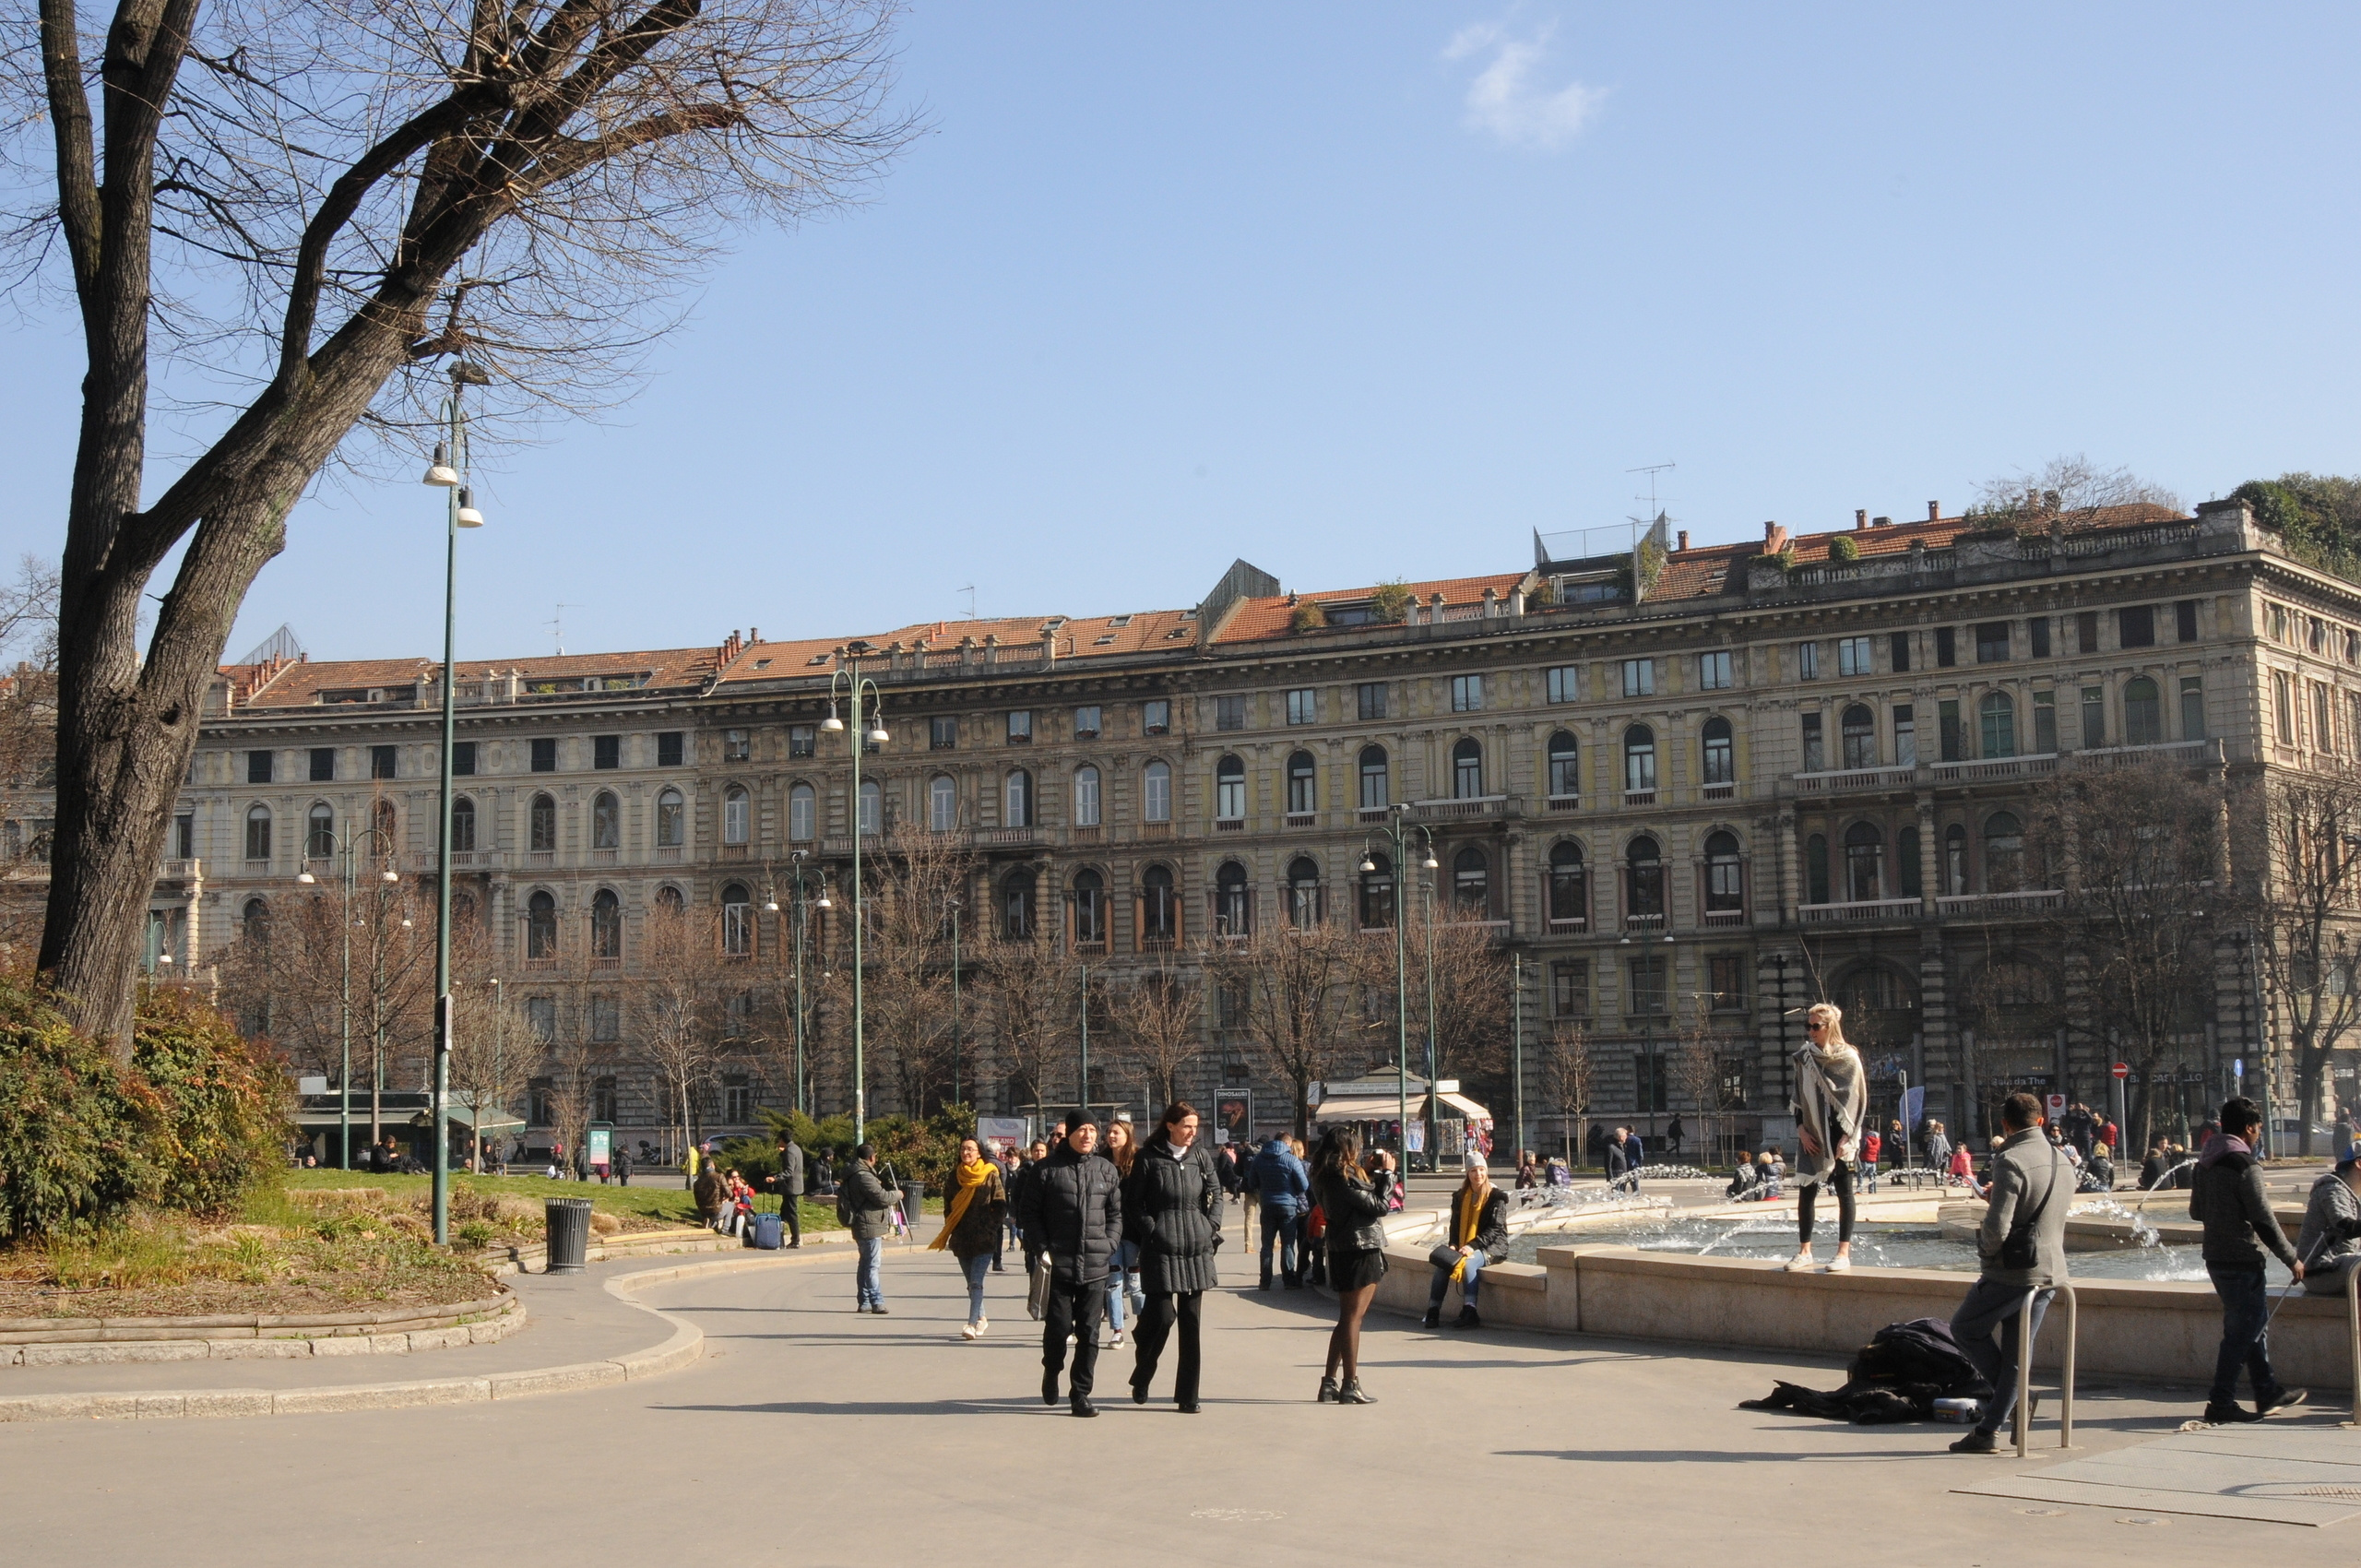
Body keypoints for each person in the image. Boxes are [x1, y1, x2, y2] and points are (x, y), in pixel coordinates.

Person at [1946, 1093, 2070, 1454]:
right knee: (2018, 1356)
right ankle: (1989, 1430)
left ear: (2005, 1124)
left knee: (1965, 1328)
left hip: (2013, 1272)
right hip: (2051, 1271)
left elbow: (1997, 1228)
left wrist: (1986, 1253)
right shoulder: (2062, 1158)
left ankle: (2013, 1404)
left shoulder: (2010, 1160)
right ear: (2041, 1121)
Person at [2190, 1097, 2307, 1423]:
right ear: (2249, 1128)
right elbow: (2263, 1219)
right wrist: (2292, 1258)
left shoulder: (2205, 1163)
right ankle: (2220, 1402)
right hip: (2243, 1258)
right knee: (2242, 1334)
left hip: (2215, 1257)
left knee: (2251, 1326)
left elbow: (2196, 1211)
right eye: (2258, 1128)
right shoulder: (2246, 1166)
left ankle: (2267, 1391)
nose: (2259, 1134)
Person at [1017, 1115, 1123, 1417]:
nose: (1088, 1135)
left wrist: (1109, 1244)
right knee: (1059, 1327)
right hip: (1058, 1265)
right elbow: (1029, 1214)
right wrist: (1043, 1248)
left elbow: (1115, 1214)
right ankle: (1052, 1370)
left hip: (1095, 1266)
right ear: (1070, 1134)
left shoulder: (1106, 1169)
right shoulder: (1046, 1170)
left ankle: (1081, 1394)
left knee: (1090, 1332)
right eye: (1082, 1130)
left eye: (1092, 1130)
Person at [1124, 1101, 1221, 1412]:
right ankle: (1143, 1374)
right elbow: (1133, 1203)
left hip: (1195, 1248)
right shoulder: (1148, 1158)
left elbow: (1216, 1194)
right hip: (1161, 1250)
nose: (1192, 1132)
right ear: (1170, 1126)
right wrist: (1152, 1230)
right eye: (1186, 1126)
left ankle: (1188, 1396)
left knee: (1191, 1323)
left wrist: (1211, 1226)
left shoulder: (1200, 1156)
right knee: (1163, 1317)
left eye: (1195, 1127)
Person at [1310, 1126, 1396, 1405]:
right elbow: (1380, 1206)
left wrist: (1369, 1172)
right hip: (1360, 1248)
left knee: (1346, 1318)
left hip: (1341, 1247)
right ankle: (1350, 1384)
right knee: (1353, 1319)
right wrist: (1388, 1175)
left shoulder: (1325, 1172)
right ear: (1347, 1148)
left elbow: (1359, 1199)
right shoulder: (1342, 1176)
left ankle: (1329, 1383)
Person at [1786, 1002, 1868, 1274]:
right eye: (1807, 1026)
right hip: (1812, 1134)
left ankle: (1843, 1253)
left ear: (1830, 1026)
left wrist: (1848, 1136)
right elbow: (1798, 1099)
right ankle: (1804, 1251)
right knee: (1806, 1191)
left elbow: (1858, 1102)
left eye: (1815, 1026)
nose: (1811, 1031)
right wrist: (1801, 1130)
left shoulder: (1849, 1058)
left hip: (1841, 1136)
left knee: (1845, 1192)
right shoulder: (1804, 1058)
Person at [930, 1136, 1008, 1339]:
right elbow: (948, 1205)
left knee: (976, 1283)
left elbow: (1000, 1204)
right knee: (971, 1284)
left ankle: (971, 1324)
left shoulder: (990, 1174)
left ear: (979, 1152)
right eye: (963, 1149)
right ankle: (982, 1317)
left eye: (970, 1149)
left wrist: (991, 1227)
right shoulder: (954, 1176)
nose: (966, 1153)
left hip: (984, 1240)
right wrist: (952, 1223)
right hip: (961, 1239)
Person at [1425, 1148, 1509, 1329]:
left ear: (1486, 1171)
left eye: (1481, 1170)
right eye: (1473, 1170)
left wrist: (1472, 1246)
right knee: (1443, 1264)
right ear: (1468, 1174)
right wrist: (1453, 1245)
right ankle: (1433, 1311)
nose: (1478, 1174)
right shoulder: (1460, 1197)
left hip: (1492, 1246)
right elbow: (1455, 1225)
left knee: (1470, 1263)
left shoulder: (1496, 1197)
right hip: (1465, 1244)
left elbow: (1495, 1229)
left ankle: (1470, 1311)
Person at [841, 1143, 900, 1314]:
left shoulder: (854, 1173)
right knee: (872, 1265)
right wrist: (898, 1194)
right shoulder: (864, 1176)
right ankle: (876, 1301)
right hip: (868, 1225)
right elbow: (882, 1197)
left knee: (865, 1263)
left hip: (863, 1223)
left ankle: (865, 1301)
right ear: (872, 1157)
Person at [2296, 1145, 2361, 1298]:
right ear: (2359, 1164)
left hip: (2341, 1266)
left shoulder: (2350, 1193)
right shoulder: (2332, 1190)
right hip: (2321, 1271)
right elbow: (2347, 1228)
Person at [1100, 1117, 1144, 1346]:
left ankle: (1144, 1325)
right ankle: (1117, 1330)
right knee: (1113, 1281)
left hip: (1134, 1232)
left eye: (1116, 1132)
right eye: (1109, 1132)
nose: (1111, 1136)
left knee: (1135, 1283)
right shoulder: (1101, 1162)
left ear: (1128, 1136)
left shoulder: (1139, 1161)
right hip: (1109, 1233)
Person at [1252, 1126, 1311, 1289]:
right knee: (1288, 1244)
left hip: (1267, 1204)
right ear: (1288, 1143)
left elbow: (1252, 1182)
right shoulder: (1291, 1160)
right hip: (1288, 1206)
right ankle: (1288, 1280)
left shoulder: (1259, 1159)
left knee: (1266, 1245)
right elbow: (1304, 1185)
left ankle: (1265, 1282)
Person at [1011, 1138, 1052, 1320]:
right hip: (1030, 1222)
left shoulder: (1053, 1169)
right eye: (1036, 1151)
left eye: (1042, 1151)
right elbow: (1017, 1196)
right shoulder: (1025, 1172)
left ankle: (1046, 1292)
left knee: (1046, 1257)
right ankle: (1035, 1290)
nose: (1039, 1154)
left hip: (1049, 1222)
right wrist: (1017, 1215)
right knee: (1032, 1257)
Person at [763, 1135, 805, 1248]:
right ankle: (777, 1238)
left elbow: (789, 1171)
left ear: (782, 1140)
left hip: (791, 1187)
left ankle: (795, 1240)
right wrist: (783, 1152)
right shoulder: (795, 1148)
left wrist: (775, 1178)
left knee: (791, 1213)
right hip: (795, 1186)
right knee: (784, 1212)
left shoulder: (790, 1151)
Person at [1606, 1127, 1642, 1194]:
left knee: (1622, 1195)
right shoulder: (1611, 1147)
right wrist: (1610, 1177)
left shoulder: (1621, 1146)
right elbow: (1608, 1164)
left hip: (1623, 1176)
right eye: (1625, 1136)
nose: (1626, 1137)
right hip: (1616, 1176)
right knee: (1616, 1195)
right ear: (1621, 1137)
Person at [692, 1160, 725, 1230]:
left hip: (702, 1209)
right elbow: (730, 1194)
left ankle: (708, 1221)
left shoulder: (698, 1180)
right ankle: (722, 1226)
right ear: (712, 1165)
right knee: (731, 1205)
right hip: (716, 1207)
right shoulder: (719, 1176)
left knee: (710, 1214)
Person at [1860, 1125, 1882, 1194]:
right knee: (1872, 1176)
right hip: (1873, 1159)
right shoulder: (1878, 1138)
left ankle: (1859, 1190)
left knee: (1861, 1175)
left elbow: (1863, 1147)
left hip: (1865, 1158)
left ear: (1868, 1129)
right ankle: (1872, 1190)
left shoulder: (1866, 1138)